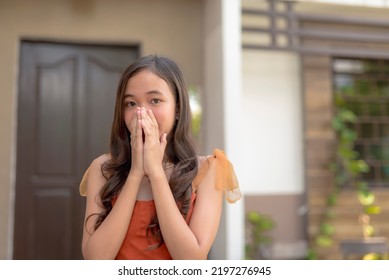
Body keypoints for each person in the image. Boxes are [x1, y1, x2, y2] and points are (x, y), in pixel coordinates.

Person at [79, 54, 241, 260]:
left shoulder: (208, 170)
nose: (141, 112)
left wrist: (155, 172)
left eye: (155, 100)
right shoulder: (102, 169)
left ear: (178, 109)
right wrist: (136, 173)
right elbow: (95, 260)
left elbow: (191, 261)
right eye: (130, 103)